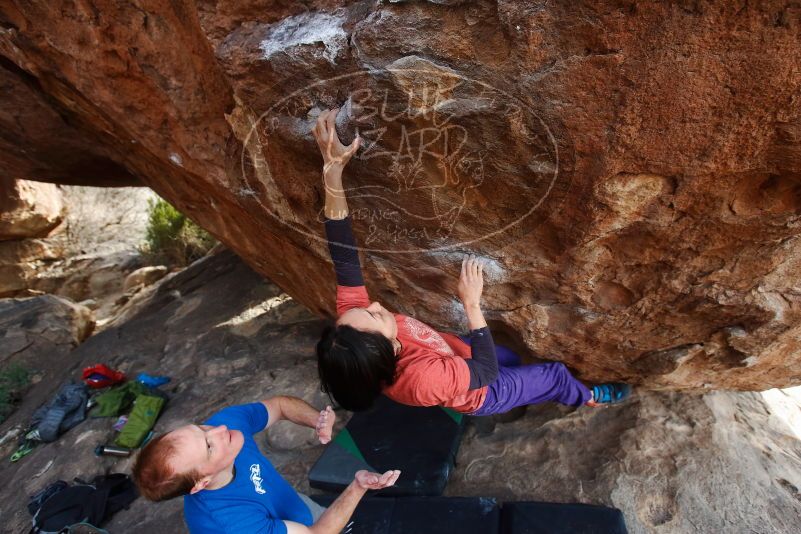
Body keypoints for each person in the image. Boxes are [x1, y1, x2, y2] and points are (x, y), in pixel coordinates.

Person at [312, 107, 631, 414]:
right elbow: (485, 371)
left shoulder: (353, 328)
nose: (376, 305)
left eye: (364, 309)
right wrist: (472, 304)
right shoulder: (421, 381)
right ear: (392, 351)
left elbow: (344, 254)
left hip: (460, 354)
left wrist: (333, 171)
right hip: (487, 391)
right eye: (377, 316)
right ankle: (588, 397)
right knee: (554, 375)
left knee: (511, 357)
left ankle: (534, 390)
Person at [132, 396, 400, 533]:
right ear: (201, 482)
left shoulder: (224, 427)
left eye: (200, 428)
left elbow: (280, 405)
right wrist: (357, 485)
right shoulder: (235, 523)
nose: (218, 429)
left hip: (292, 508)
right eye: (209, 446)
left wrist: (316, 420)